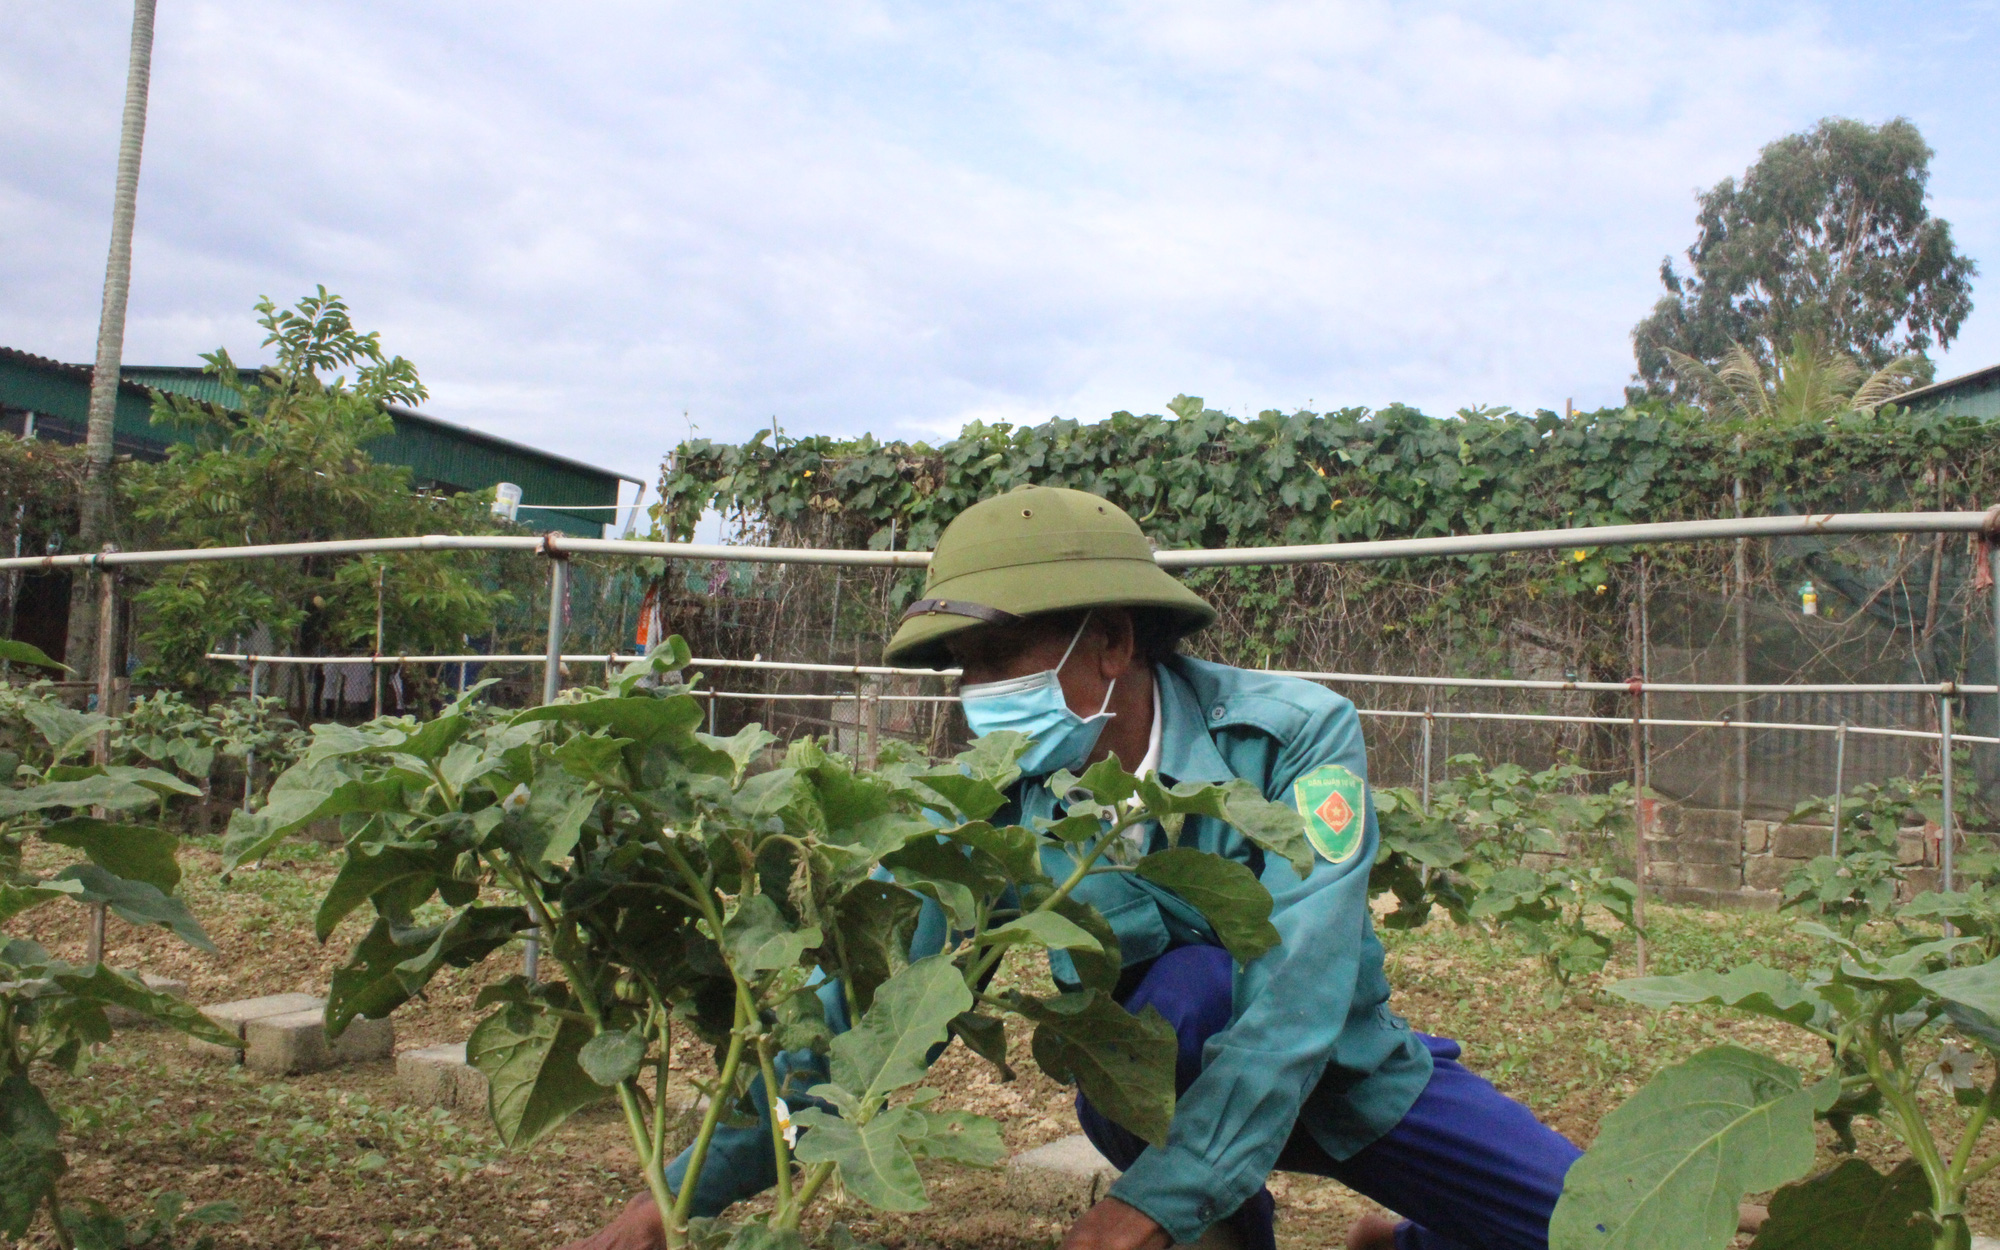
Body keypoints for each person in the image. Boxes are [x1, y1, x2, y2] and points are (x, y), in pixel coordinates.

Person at [559, 486, 1581, 1250]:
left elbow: (1304, 989)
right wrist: (684, 1185)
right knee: (1168, 998)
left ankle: (1394, 1242)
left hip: (1341, 1071)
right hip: (1150, 1091)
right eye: (963, 666)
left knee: (1604, 1226)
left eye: (1000, 656)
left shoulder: (1295, 735)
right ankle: (1217, 1219)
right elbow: (859, 1012)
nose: (977, 693)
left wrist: (1143, 1207)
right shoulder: (991, 803)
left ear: (1112, 643)